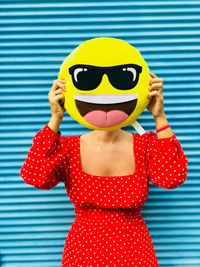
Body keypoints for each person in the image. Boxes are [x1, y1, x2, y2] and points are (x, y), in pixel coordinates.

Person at [20, 72, 188, 267]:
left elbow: (172, 178)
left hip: (134, 252)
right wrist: (56, 117)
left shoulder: (145, 146)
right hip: (83, 253)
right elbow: (35, 176)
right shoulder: (68, 149)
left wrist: (159, 116)